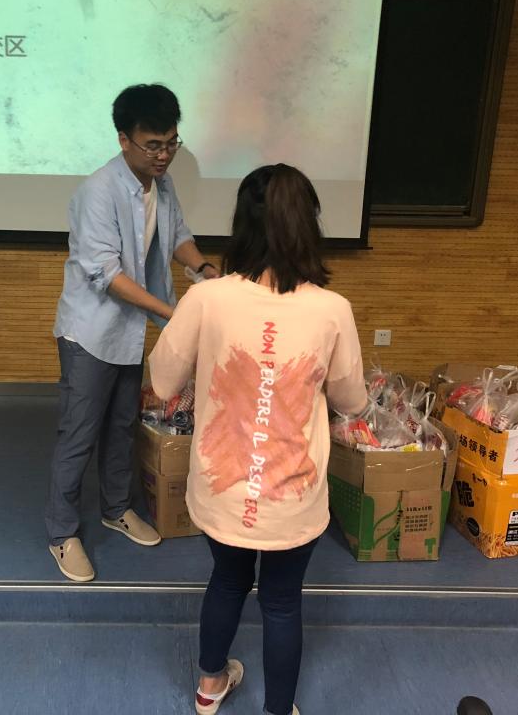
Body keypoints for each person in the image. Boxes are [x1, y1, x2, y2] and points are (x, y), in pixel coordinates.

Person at [149, 164, 368, 715]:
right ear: (308, 225)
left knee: (227, 580)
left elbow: (162, 381)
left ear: (241, 225)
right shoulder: (332, 310)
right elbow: (352, 401)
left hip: (223, 489)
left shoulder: (207, 299)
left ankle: (209, 686)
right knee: (282, 602)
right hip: (292, 497)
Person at [46, 84, 220, 583]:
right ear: (124, 140)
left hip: (127, 331)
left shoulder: (161, 185)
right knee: (80, 433)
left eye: (171, 143)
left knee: (123, 424)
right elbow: (107, 274)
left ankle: (116, 508)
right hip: (89, 333)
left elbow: (178, 236)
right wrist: (173, 313)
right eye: (153, 145)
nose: (163, 155)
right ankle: (61, 534)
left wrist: (205, 270)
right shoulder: (98, 191)